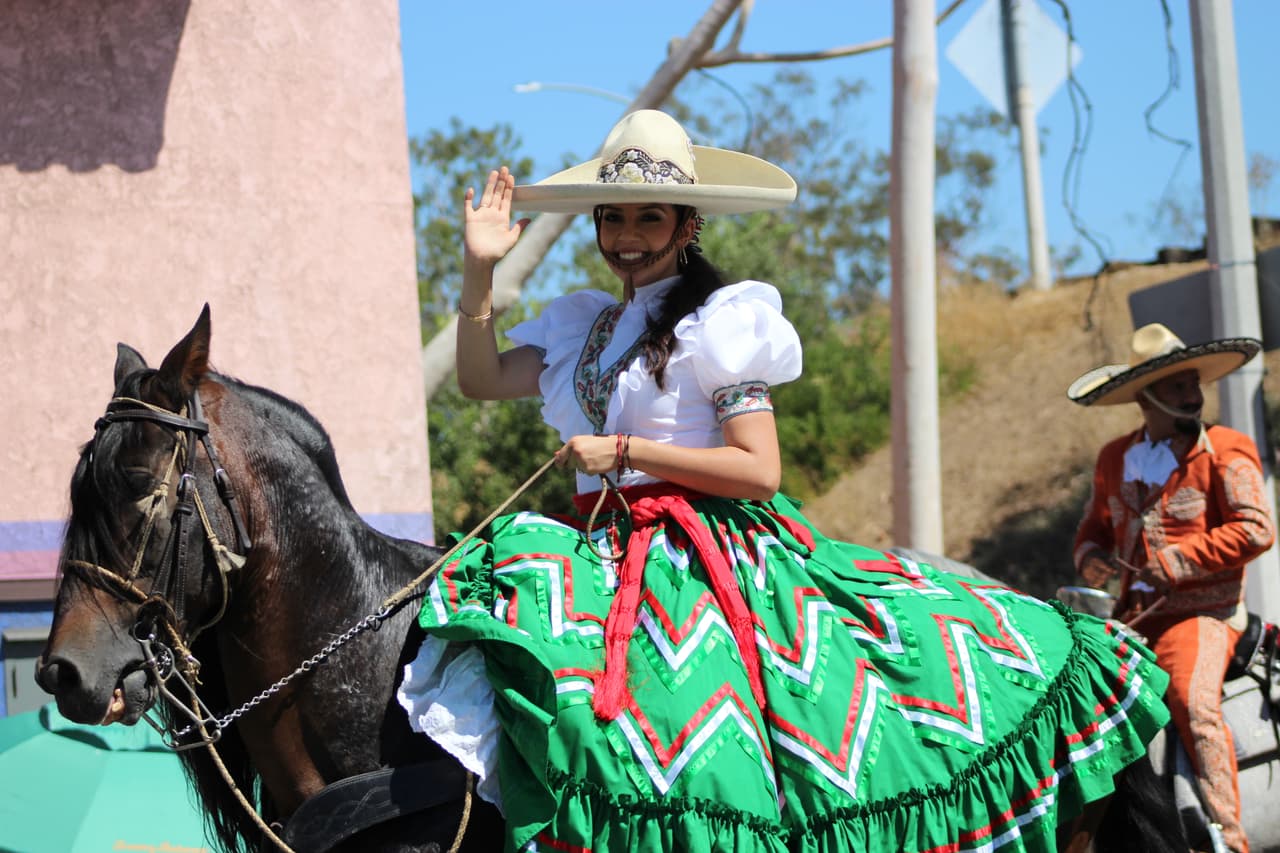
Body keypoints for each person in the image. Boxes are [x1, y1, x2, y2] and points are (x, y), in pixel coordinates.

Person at [398, 109, 1170, 852]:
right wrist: (478, 267)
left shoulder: (719, 324)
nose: (627, 238)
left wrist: (628, 448)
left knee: (715, 748)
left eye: (649, 219)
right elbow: (481, 377)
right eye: (613, 219)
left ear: (687, 224)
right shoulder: (584, 327)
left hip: (706, 553)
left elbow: (759, 470)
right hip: (603, 552)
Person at [1069, 322, 1276, 853]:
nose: (1192, 393)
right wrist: (1090, 559)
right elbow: (1093, 529)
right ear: (1147, 396)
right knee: (1067, 696)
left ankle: (1228, 837)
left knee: (1188, 696)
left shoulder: (1227, 448)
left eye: (1193, 383)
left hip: (1205, 614)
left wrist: (1182, 560)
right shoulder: (1114, 458)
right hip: (1127, 623)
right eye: (1178, 385)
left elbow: (1257, 528)